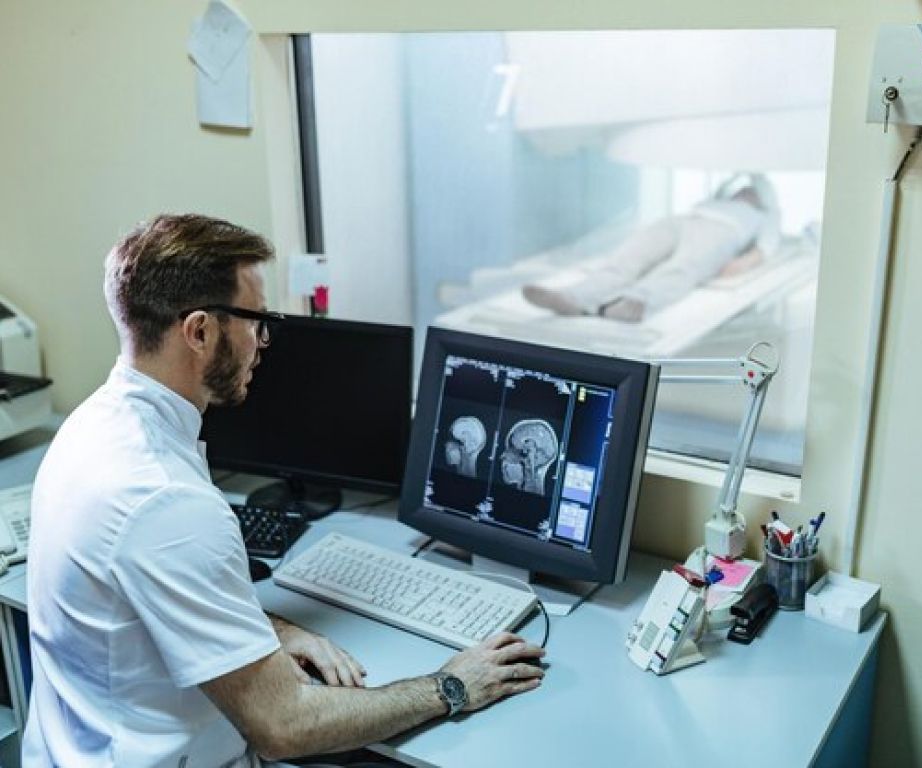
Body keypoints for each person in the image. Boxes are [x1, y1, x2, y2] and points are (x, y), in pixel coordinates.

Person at [23, 214, 545, 767]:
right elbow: (285, 726)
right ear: (198, 331)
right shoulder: (165, 499)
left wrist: (268, 630)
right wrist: (450, 687)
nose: (264, 341)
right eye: (256, 320)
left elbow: (148, 605)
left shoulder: (91, 427)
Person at [522, 173, 781, 323]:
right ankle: (573, 298)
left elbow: (765, 247)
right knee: (629, 256)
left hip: (722, 232)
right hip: (683, 220)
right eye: (742, 189)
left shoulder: (763, 215)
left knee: (683, 266)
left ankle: (636, 302)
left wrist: (742, 264)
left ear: (761, 198)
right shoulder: (713, 201)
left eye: (750, 191)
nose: (744, 192)